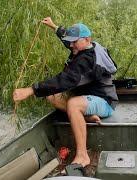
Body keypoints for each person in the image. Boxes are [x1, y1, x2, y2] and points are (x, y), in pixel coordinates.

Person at [13, 17, 118, 167]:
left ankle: (83, 156)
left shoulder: (87, 59)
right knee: (51, 96)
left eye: (75, 41)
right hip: (87, 97)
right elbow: (68, 40)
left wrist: (31, 90)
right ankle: (87, 117)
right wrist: (54, 26)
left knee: (73, 104)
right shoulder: (84, 46)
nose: (71, 45)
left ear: (87, 39)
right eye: (71, 41)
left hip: (104, 101)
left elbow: (65, 80)